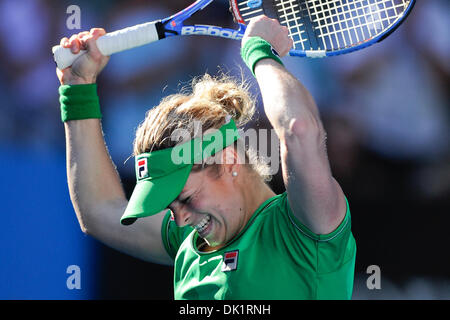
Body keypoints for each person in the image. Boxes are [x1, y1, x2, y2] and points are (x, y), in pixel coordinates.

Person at [56, 16, 356, 300]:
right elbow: (98, 210)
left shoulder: (305, 230)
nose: (180, 217)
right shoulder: (189, 240)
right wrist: (77, 89)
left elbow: (299, 130)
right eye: (169, 206)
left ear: (227, 159)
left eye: (185, 198)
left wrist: (259, 52)